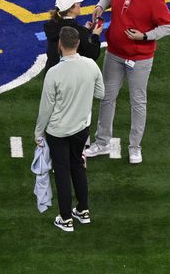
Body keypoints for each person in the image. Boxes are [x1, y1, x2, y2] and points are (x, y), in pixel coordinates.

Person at [84, 0, 170, 165]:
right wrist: (100, 7)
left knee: (138, 103)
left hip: (140, 59)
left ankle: (135, 147)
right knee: (106, 96)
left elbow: (169, 26)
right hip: (114, 53)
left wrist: (144, 36)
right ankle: (102, 142)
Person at [34, 26, 104, 232]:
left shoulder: (54, 73)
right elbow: (101, 93)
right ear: (78, 44)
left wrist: (38, 132)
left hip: (58, 131)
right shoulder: (91, 65)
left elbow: (46, 108)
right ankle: (83, 210)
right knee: (77, 165)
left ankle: (66, 218)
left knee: (62, 172)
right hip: (81, 128)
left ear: (60, 45)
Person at [42, 0, 103, 69]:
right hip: (70, 75)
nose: (80, 4)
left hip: (51, 74)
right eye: (77, 3)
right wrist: (95, 35)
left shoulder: (51, 26)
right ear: (70, 9)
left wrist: (86, 30)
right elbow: (92, 55)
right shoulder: (79, 31)